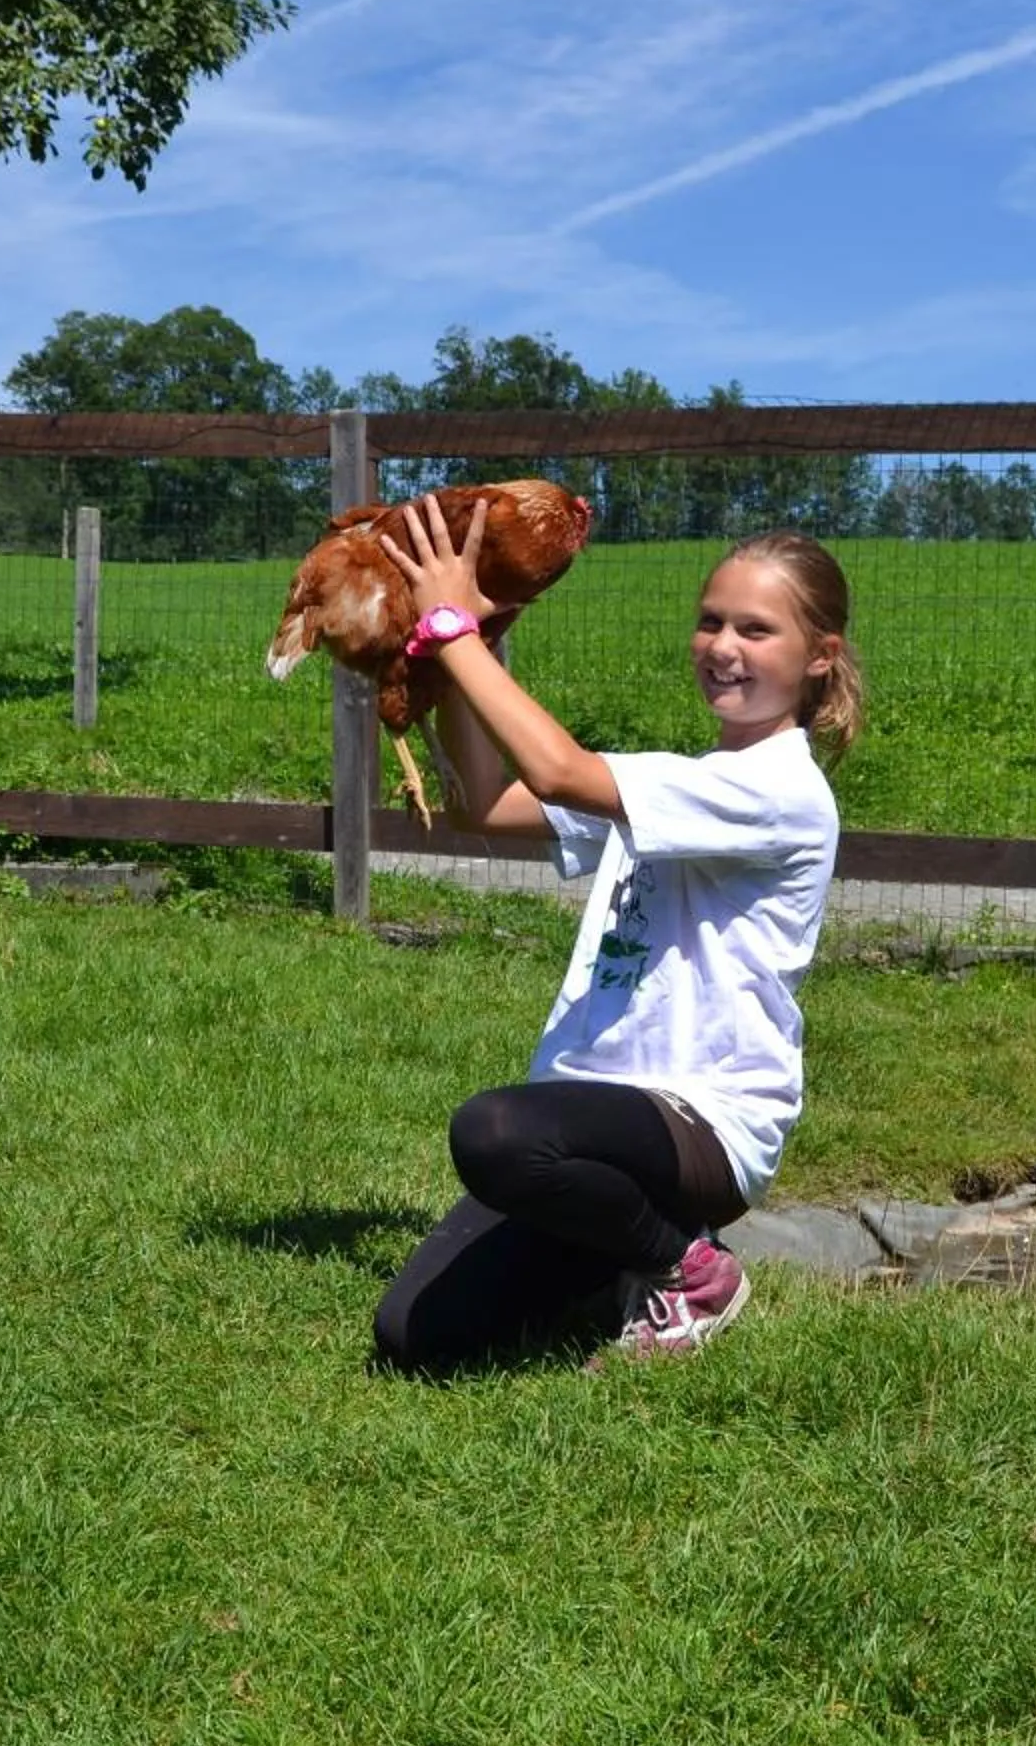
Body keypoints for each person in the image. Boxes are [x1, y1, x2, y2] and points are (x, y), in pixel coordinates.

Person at [368, 496, 862, 1375]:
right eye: (711, 622)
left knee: (493, 1134)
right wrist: (458, 658)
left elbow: (557, 768)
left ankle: (689, 1272)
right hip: (598, 1113)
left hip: (702, 1123)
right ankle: (627, 1250)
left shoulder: (781, 791)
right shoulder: (686, 780)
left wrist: (457, 633)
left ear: (820, 658)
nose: (724, 647)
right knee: (416, 1338)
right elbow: (489, 804)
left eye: (757, 630)